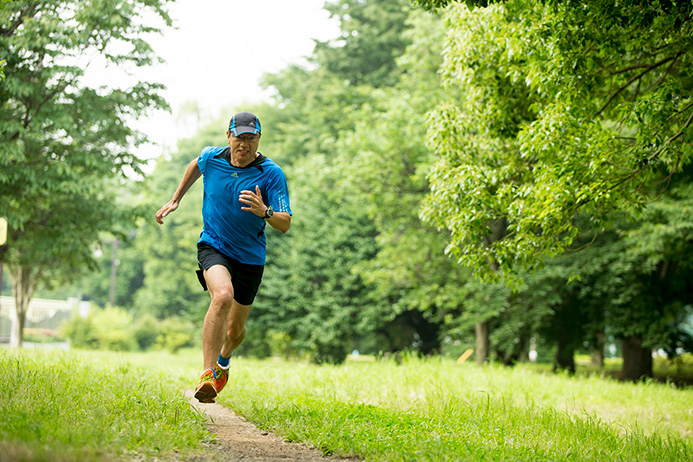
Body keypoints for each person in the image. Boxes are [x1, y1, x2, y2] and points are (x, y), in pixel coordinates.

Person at [155, 111, 292, 403]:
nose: (244, 144)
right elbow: (196, 164)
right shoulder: (211, 158)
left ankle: (223, 361)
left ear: (258, 140)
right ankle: (207, 375)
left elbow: (285, 222)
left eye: (250, 138)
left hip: (250, 257)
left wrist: (265, 212)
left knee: (235, 330)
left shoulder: (271, 173)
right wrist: (176, 198)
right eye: (238, 137)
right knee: (222, 296)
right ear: (228, 137)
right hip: (213, 245)